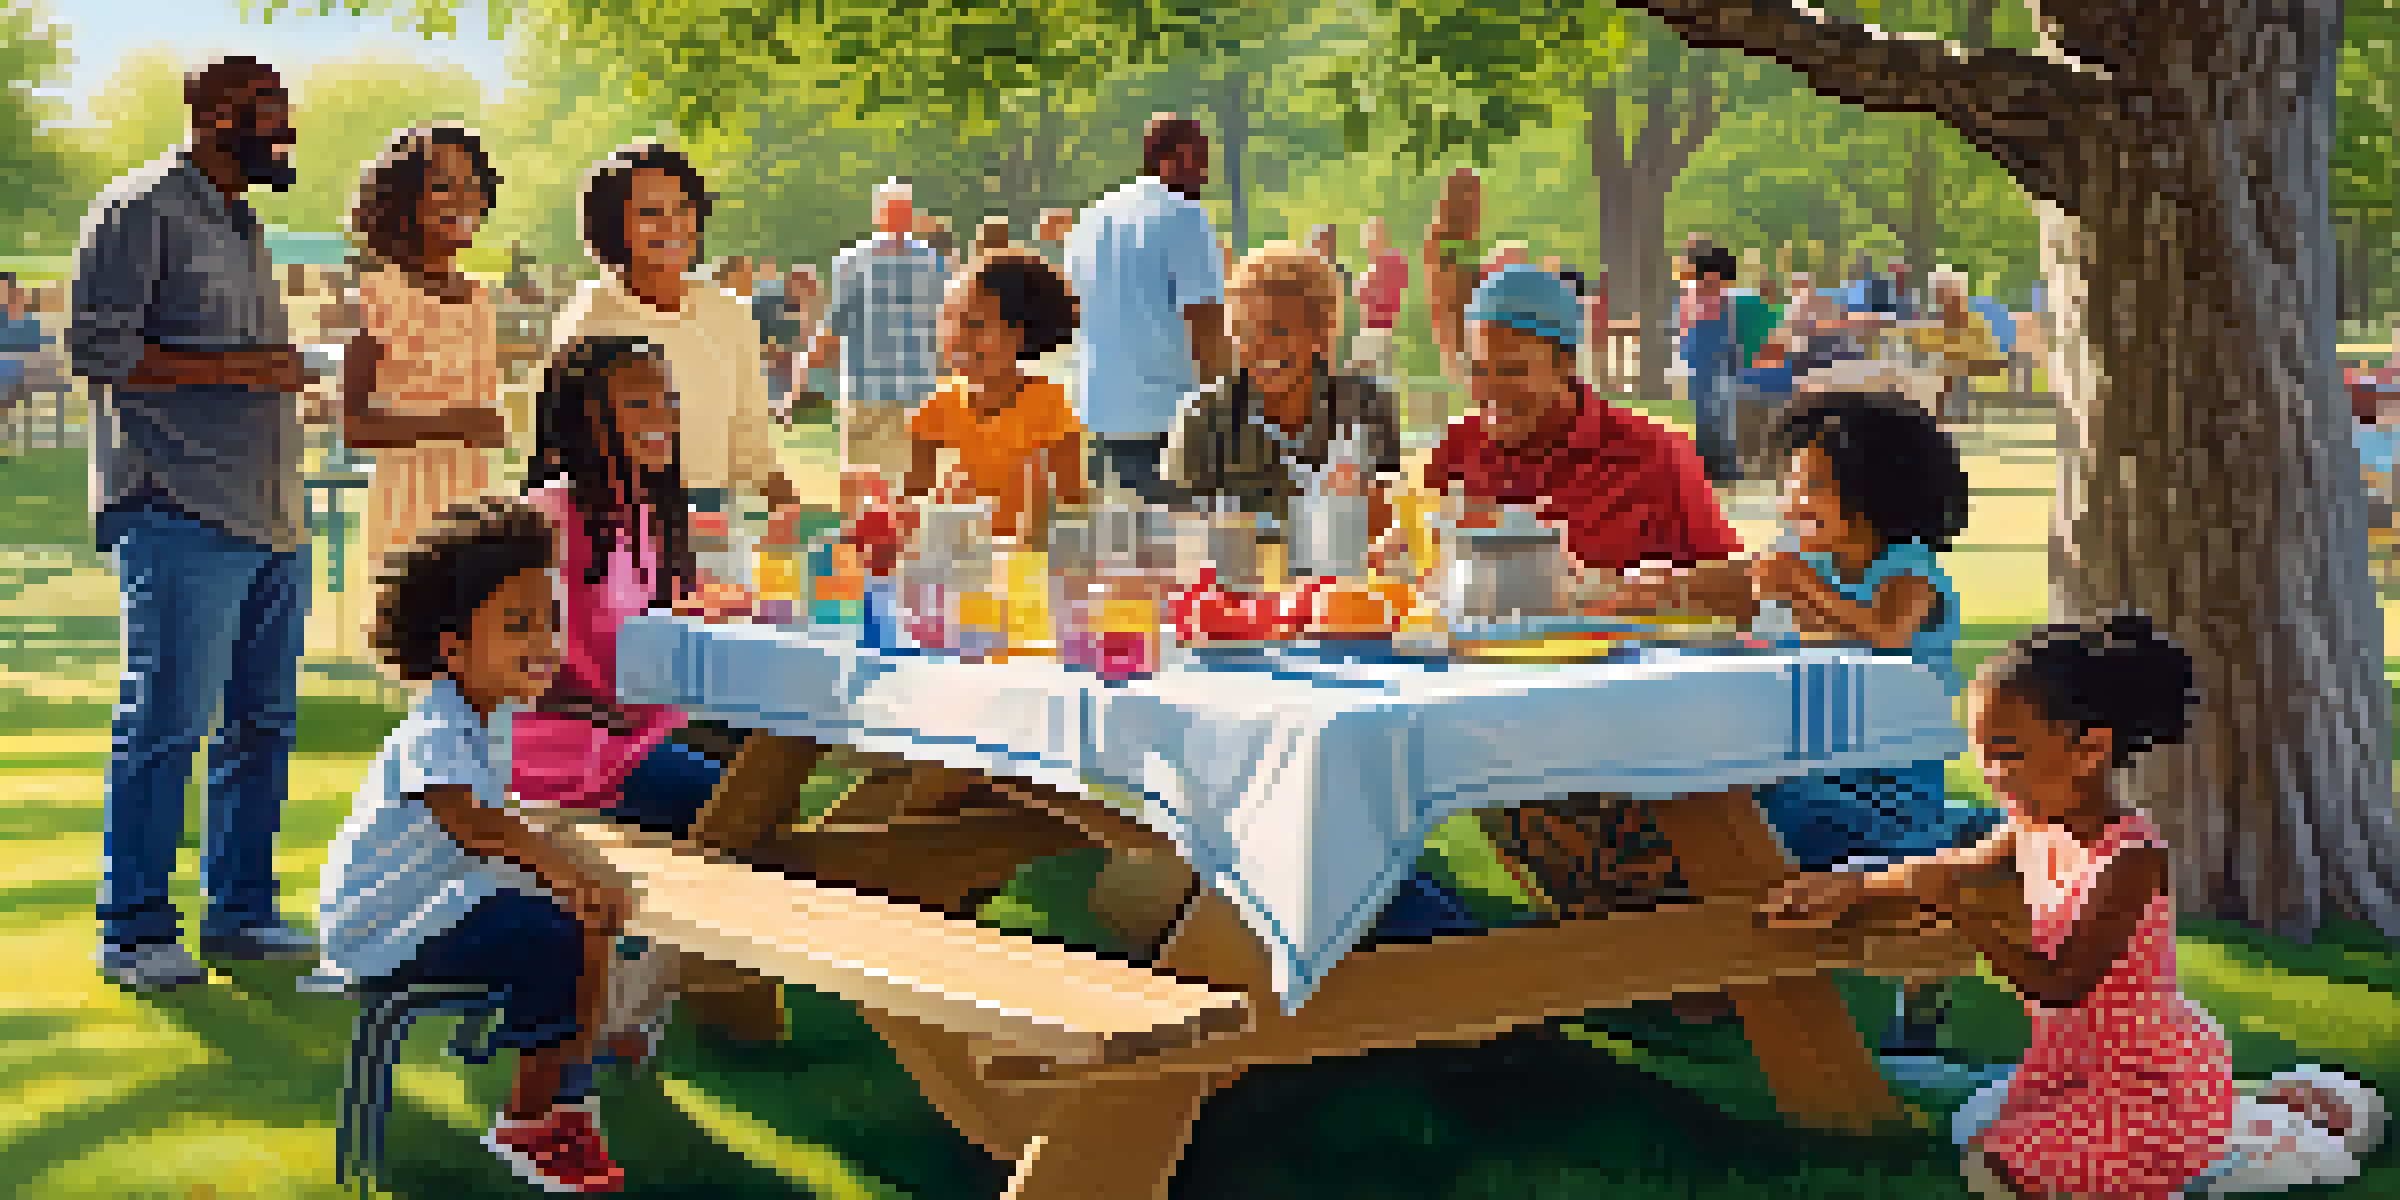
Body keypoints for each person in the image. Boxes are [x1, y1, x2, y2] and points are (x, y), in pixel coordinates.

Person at [1765, 611, 2236, 1200]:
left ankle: (2190, 1151)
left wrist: (1963, 914)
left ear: (2088, 751)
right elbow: (1952, 867)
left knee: (1994, 1167)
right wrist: (1850, 884)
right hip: (2072, 1067)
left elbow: (2062, 984)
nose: (1990, 773)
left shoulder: (2130, 860)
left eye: (2007, 752)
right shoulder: (2030, 826)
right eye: (1983, 752)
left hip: (2145, 1082)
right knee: (1974, 1132)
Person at [1607, 393, 1999, 1037]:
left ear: (1876, 491)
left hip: (1884, 790)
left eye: (1814, 484)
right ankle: (1709, 979)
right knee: (1702, 810)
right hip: (1812, 767)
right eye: (1791, 485)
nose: (1793, 502)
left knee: (1749, 829)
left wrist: (1801, 587)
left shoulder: (1908, 572)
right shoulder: (1808, 561)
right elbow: (1732, 586)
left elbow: (1888, 634)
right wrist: (1653, 590)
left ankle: (1729, 985)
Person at [69, 55, 319, 989]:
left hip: (269, 514)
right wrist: (249, 370)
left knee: (264, 724)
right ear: (216, 114)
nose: (285, 129)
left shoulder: (243, 219)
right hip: (176, 505)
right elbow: (100, 350)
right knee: (167, 720)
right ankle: (132, 929)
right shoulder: (139, 209)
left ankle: (242, 914)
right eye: (270, 112)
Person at [1407, 266, 1743, 930]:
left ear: (1565, 362)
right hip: (1489, 699)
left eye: (1512, 370)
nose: (1490, 392)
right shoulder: (1459, 448)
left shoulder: (1653, 452)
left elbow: (1736, 588)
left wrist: (1654, 593)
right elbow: (1420, 557)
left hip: (1627, 712)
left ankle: (1651, 943)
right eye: (1478, 370)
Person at [324, 496, 632, 1193]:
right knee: (548, 931)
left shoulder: (484, 716)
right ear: (451, 646)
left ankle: (568, 1098)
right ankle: (526, 1123)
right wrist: (563, 870)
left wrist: (577, 871)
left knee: (583, 920)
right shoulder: (438, 727)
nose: (544, 641)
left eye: (549, 621)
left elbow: (504, 822)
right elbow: (475, 824)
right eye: (518, 626)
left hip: (442, 904)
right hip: (388, 926)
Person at [514, 335, 780, 1043]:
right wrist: (609, 706)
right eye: (638, 400)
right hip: (567, 752)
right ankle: (635, 1000)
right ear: (582, 416)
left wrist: (692, 612)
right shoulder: (551, 517)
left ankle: (647, 989)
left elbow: (635, 627)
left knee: (757, 791)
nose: (662, 413)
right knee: (741, 816)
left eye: (668, 398)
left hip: (635, 733)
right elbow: (513, 672)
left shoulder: (645, 516)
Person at [552, 141, 799, 519]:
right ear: (611, 225)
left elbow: (751, 442)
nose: (672, 226)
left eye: (683, 209)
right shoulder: (588, 322)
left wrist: (790, 509)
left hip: (713, 517)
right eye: (649, 212)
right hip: (618, 522)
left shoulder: (728, 313)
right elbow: (564, 451)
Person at [341, 123, 510, 576]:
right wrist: (449, 423)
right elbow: (353, 426)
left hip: (474, 501)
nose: (462, 200)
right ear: (401, 200)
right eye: (442, 186)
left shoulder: (480, 298)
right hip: (407, 507)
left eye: (473, 186)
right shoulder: (380, 294)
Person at [1167, 241, 1401, 533]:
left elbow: (1384, 530)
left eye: (1277, 329)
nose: (1259, 346)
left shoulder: (1366, 407)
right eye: (1244, 332)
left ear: (1320, 332)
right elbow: (1181, 534)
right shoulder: (1202, 420)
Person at [1066, 114, 1233, 507]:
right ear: (1165, 159)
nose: (1205, 174)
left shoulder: (1093, 215)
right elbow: (1205, 322)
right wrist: (1224, 412)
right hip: (1168, 420)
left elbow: (1078, 306)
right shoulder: (1184, 213)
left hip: (1099, 415)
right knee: (1181, 553)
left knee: (1118, 557)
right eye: (1198, 160)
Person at [900, 247, 1087, 540]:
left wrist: (1035, 504)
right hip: (959, 562)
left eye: (974, 324)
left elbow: (1072, 510)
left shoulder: (1050, 408)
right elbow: (911, 505)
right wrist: (939, 500)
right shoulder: (936, 408)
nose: (955, 336)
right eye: (947, 319)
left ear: (1020, 333)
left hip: (1029, 565)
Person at [808, 179, 950, 485]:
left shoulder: (930, 264)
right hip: (881, 388)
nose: (899, 219)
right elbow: (836, 324)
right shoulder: (856, 262)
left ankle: (895, 532)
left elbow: (945, 323)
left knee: (899, 483)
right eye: (895, 211)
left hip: (902, 388)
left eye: (901, 211)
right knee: (877, 483)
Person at [1901, 268, 2009, 426]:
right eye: (1941, 295)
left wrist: (1953, 364)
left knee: (1953, 378)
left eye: (1951, 294)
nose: (1946, 299)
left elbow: (1989, 362)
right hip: (1940, 383)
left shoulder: (1974, 323)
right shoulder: (1931, 323)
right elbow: (1918, 350)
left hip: (1965, 383)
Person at [1677, 245, 1748, 484]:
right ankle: (1714, 463)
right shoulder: (1697, 293)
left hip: (1716, 355)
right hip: (1705, 355)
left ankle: (1720, 462)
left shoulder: (1717, 295)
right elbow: (1689, 328)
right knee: (1710, 411)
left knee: (1720, 409)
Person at [1421, 168, 1484, 386]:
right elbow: (1451, 282)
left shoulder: (1467, 236)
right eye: (1470, 194)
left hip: (1468, 322)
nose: (1476, 203)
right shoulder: (1442, 234)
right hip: (1457, 321)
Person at [1349, 216, 1410, 378]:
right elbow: (1359, 296)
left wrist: (1364, 283)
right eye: (1367, 237)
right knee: (1361, 375)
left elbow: (1392, 287)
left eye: (1371, 236)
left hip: (1382, 328)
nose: (1368, 242)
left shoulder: (1393, 260)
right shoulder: (1372, 265)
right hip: (1366, 328)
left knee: (1375, 376)